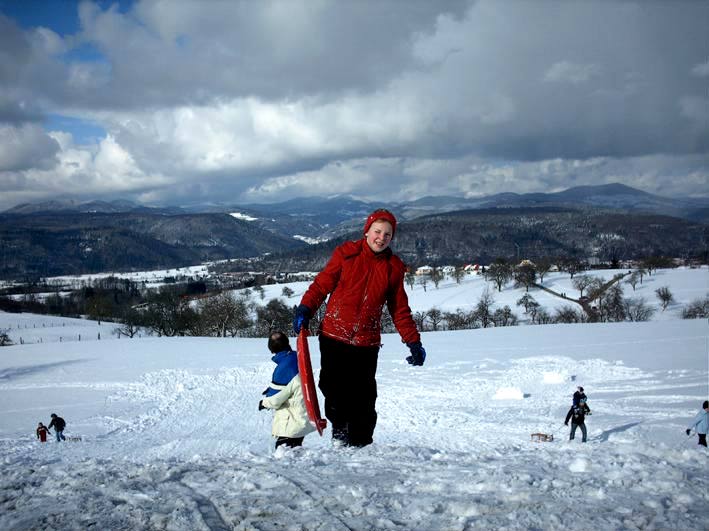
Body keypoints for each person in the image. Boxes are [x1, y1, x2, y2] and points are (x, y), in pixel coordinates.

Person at [293, 208, 426, 447]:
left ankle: (361, 444)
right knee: (333, 388)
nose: (381, 238)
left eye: (387, 234)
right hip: (334, 335)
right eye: (377, 231)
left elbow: (399, 309)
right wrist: (306, 309)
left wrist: (413, 341)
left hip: (366, 342)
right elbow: (322, 285)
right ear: (367, 232)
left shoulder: (393, 268)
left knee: (364, 397)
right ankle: (340, 431)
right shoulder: (347, 254)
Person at [258, 331, 315, 449]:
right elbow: (290, 385)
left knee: (284, 456)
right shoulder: (296, 357)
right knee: (294, 456)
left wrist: (263, 403)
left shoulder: (284, 367)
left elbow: (275, 399)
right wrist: (271, 388)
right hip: (302, 417)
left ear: (270, 348)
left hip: (291, 423)